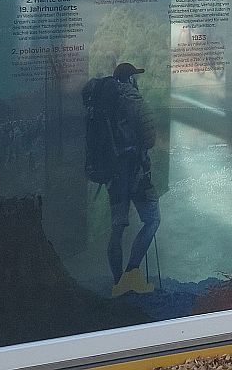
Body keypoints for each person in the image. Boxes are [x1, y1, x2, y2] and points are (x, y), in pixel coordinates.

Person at [83, 62, 160, 296]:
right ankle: (132, 273)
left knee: (117, 228)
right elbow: (150, 140)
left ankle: (118, 284)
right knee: (152, 219)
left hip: (113, 173)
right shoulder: (134, 101)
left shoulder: (101, 104)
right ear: (131, 79)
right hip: (135, 170)